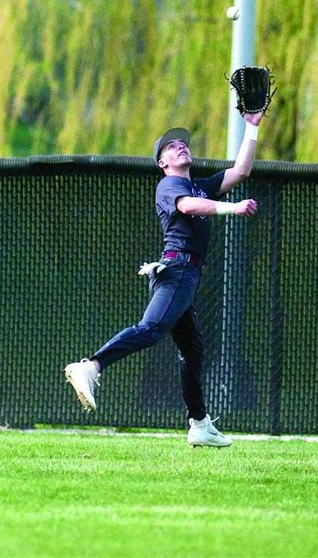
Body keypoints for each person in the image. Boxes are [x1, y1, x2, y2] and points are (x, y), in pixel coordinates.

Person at [64, 112, 263, 447]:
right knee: (151, 329)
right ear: (162, 163)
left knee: (193, 350)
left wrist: (252, 128)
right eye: (171, 146)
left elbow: (241, 171)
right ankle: (92, 366)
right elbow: (188, 207)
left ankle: (199, 424)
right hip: (178, 270)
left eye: (182, 142)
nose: (180, 146)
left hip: (186, 273)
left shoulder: (198, 184)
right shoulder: (171, 185)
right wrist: (233, 208)